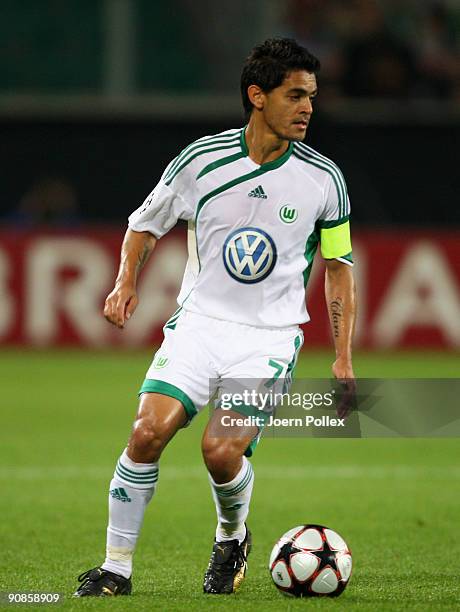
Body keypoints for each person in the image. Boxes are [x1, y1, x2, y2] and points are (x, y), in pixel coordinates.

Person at [74, 37, 356, 598]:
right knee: (147, 432)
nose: (308, 108)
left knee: (220, 450)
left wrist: (343, 354)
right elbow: (145, 223)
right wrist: (125, 280)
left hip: (268, 338)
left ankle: (232, 536)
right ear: (258, 95)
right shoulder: (201, 160)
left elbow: (338, 266)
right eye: (295, 95)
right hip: (199, 325)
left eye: (312, 98)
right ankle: (116, 568)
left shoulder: (325, 178)